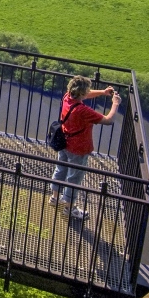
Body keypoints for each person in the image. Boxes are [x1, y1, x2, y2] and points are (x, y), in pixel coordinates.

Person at [50, 76, 120, 221]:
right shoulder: (82, 110)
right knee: (74, 178)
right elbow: (108, 120)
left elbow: (84, 94)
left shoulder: (67, 97)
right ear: (81, 93)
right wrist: (115, 104)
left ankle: (54, 198)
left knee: (61, 169)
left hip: (64, 142)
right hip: (79, 148)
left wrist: (102, 92)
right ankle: (69, 209)